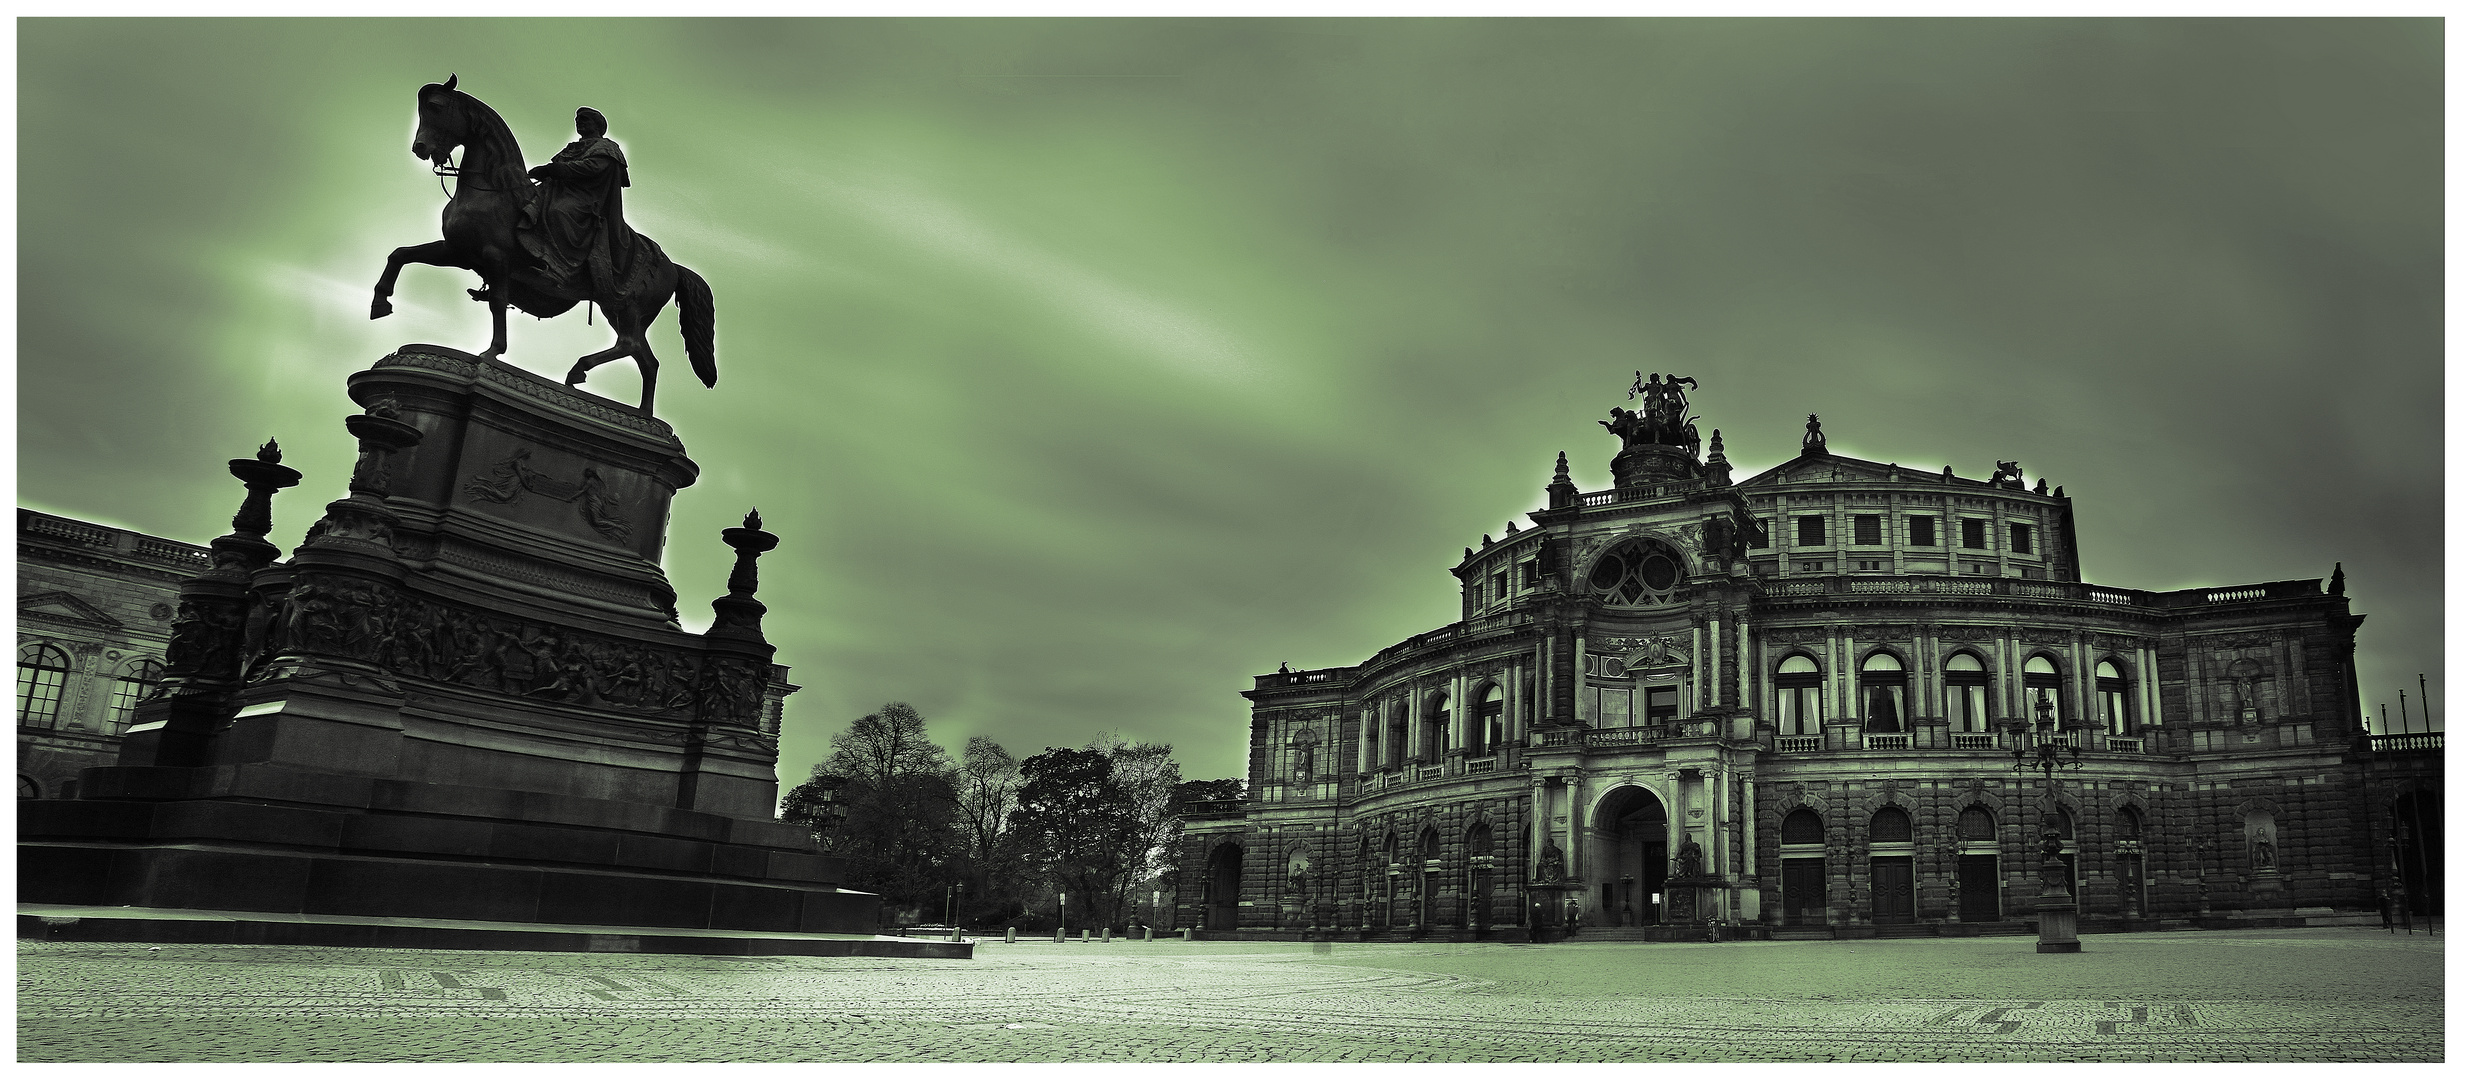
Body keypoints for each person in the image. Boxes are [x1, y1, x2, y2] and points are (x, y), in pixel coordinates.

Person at [520, 107, 647, 297]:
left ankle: (561, 267)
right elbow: (558, 168)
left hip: (586, 200)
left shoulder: (607, 148)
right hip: (558, 191)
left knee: (559, 212)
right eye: (578, 119)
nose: (579, 121)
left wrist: (553, 170)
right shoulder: (572, 148)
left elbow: (592, 168)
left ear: (598, 125)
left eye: (585, 119)